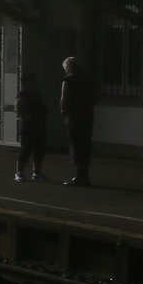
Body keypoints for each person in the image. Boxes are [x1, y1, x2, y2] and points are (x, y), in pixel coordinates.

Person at [59, 56, 96, 187]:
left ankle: (79, 176)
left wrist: (64, 112)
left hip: (74, 116)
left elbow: (64, 99)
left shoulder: (68, 80)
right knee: (85, 144)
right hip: (87, 115)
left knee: (76, 144)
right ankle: (84, 174)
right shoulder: (87, 79)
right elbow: (94, 97)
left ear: (68, 68)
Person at [13, 70, 47, 182]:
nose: (34, 82)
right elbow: (18, 109)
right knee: (26, 149)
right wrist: (27, 118)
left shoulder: (36, 93)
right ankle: (19, 172)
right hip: (28, 126)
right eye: (32, 80)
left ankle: (37, 172)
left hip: (39, 125)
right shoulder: (22, 94)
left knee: (39, 150)